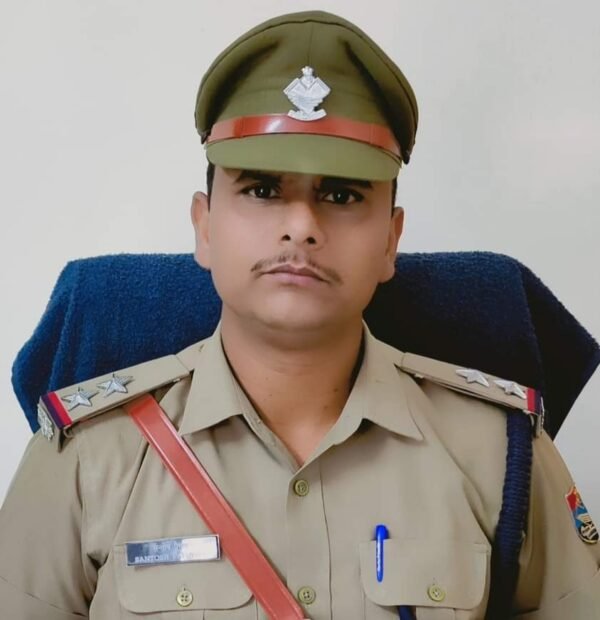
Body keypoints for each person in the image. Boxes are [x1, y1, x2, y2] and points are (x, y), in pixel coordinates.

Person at [0, 10, 599, 620]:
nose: (301, 226)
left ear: (390, 241)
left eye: (341, 195)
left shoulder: (500, 455)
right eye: (262, 190)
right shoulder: (88, 461)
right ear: (204, 227)